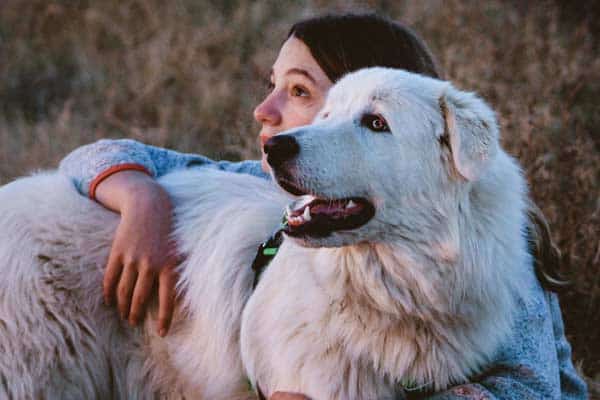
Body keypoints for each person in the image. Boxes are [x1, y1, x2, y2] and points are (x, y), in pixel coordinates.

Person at [59, 13, 587, 400]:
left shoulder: (494, 251)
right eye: (273, 87)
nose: (264, 111)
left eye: (299, 92)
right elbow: (101, 156)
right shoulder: (290, 190)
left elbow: (534, 388)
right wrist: (141, 200)